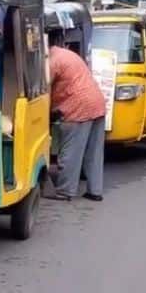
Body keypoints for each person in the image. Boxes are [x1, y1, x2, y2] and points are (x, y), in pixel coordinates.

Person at [49, 33, 107, 201]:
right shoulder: (69, 55)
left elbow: (44, 89)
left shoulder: (52, 61)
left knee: (71, 151)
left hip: (78, 107)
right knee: (94, 152)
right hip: (97, 102)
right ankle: (95, 191)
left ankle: (65, 190)